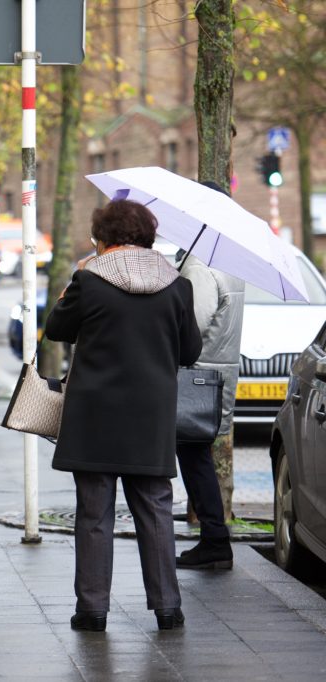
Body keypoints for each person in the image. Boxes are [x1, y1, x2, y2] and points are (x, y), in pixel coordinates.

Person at [45, 199, 202, 632]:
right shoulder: (177, 286)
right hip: (149, 416)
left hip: (94, 415)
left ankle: (92, 610)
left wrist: (69, 286)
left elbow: (56, 329)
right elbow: (190, 351)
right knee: (155, 509)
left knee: (94, 513)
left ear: (104, 238)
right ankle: (168, 607)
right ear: (148, 237)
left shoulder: (89, 280)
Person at [175, 183, 244, 570]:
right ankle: (214, 538)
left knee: (195, 459)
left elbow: (190, 328)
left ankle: (215, 539)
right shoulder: (230, 263)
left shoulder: (201, 267)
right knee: (195, 456)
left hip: (195, 379)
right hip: (216, 377)